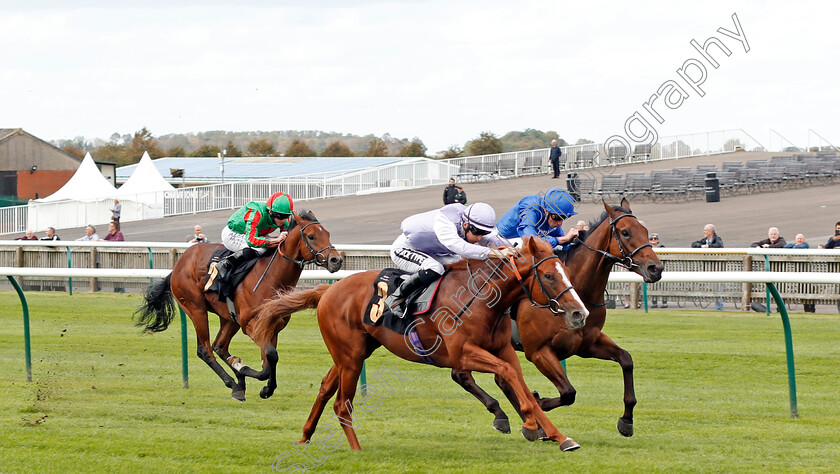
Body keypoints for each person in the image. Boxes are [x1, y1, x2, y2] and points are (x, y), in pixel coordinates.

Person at [385, 202, 514, 318]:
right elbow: (461, 247)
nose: (480, 238)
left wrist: (507, 248)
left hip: (432, 250)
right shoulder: (444, 223)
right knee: (436, 268)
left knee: (462, 265)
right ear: (465, 224)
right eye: (477, 233)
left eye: (483, 234)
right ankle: (396, 298)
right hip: (405, 249)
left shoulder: (472, 221)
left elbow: (492, 239)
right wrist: (494, 253)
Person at [214, 191, 294, 280]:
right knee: (260, 248)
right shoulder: (256, 212)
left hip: (254, 234)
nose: (283, 220)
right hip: (233, 234)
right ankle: (226, 263)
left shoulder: (282, 218)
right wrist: (275, 240)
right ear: (270, 212)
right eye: (280, 216)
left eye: (287, 216)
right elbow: (251, 240)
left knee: (274, 246)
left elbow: (287, 236)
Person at [496, 188, 579, 251]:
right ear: (546, 211)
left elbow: (561, 239)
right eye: (557, 217)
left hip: (523, 239)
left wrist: (569, 243)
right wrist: (562, 239)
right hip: (502, 240)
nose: (560, 223)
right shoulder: (530, 208)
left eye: (564, 218)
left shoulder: (551, 213)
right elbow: (530, 241)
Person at [648, 233, 667, 308]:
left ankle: (664, 302)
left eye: (655, 239)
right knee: (653, 286)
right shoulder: (647, 248)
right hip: (652, 269)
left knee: (663, 286)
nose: (653, 240)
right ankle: (654, 302)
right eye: (651, 239)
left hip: (660, 268)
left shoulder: (662, 247)